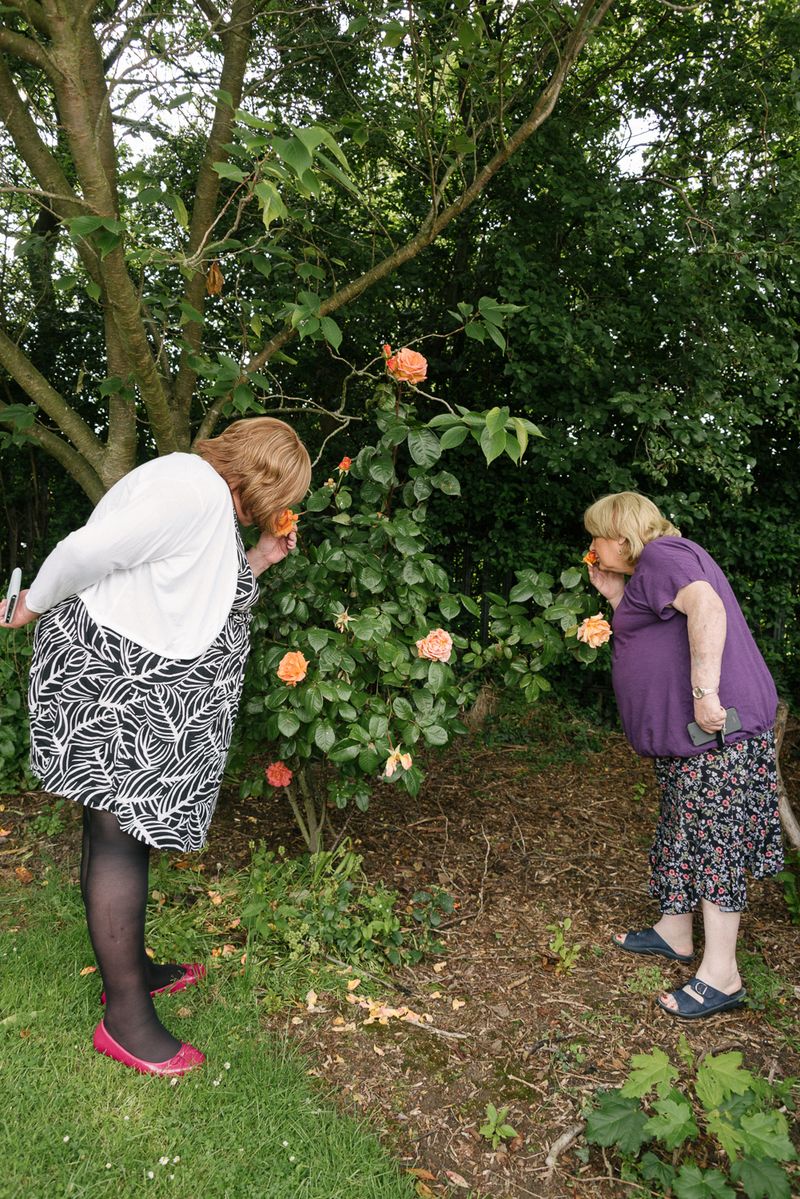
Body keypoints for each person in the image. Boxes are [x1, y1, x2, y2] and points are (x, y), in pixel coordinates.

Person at [1, 417, 311, 1073]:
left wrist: (260, 557)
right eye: (284, 495)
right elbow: (86, 551)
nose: (280, 509)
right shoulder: (188, 488)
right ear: (266, 481)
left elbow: (196, 594)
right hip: (108, 681)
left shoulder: (204, 502)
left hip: (127, 684)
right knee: (118, 837)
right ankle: (126, 1020)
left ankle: (131, 970)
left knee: (117, 834)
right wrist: (31, 602)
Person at [584, 491, 783, 1019]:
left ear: (622, 536)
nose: (593, 547)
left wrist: (705, 692)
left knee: (715, 842)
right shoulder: (650, 570)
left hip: (718, 736)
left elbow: (707, 608)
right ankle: (675, 932)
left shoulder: (663, 555)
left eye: (597, 537)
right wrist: (615, 596)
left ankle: (723, 975)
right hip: (689, 744)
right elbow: (653, 631)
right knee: (681, 830)